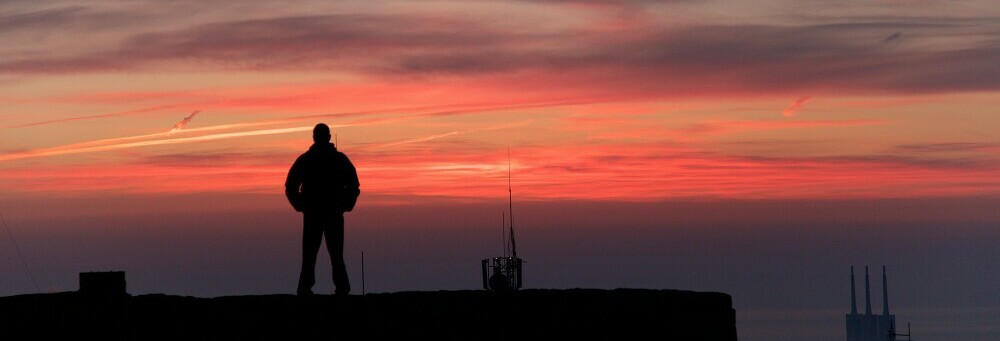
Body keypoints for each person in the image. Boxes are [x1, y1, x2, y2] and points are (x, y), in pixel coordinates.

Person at [285, 123, 360, 296]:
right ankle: (330, 288)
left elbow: (353, 186)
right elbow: (290, 187)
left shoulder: (309, 160)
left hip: (322, 213)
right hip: (321, 213)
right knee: (321, 255)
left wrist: (345, 204)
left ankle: (317, 289)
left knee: (327, 255)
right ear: (327, 137)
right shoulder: (332, 160)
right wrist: (301, 206)